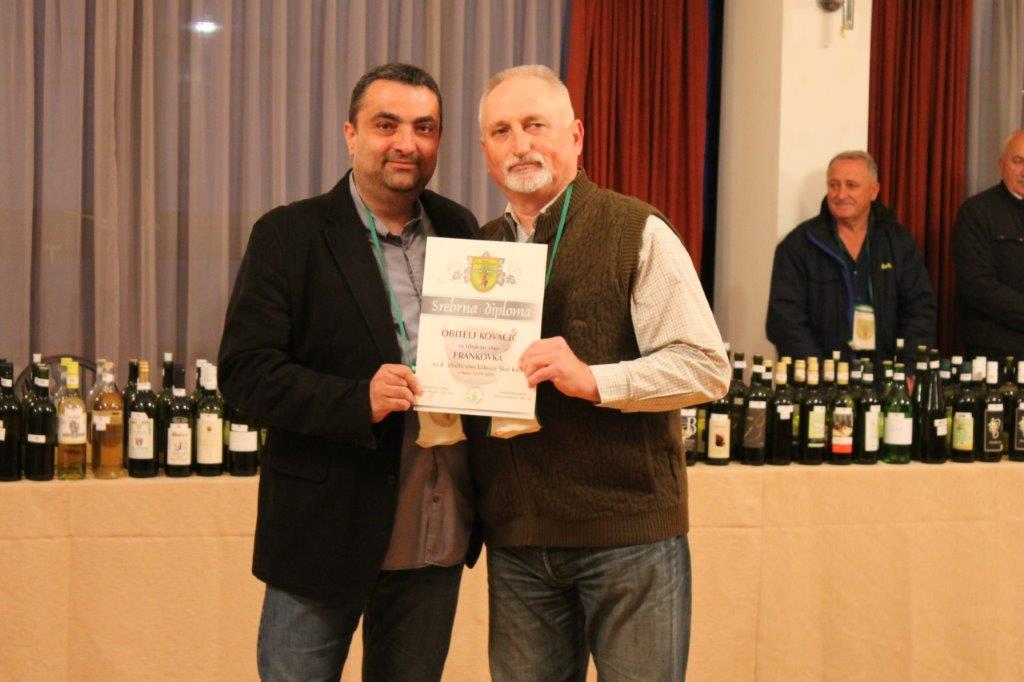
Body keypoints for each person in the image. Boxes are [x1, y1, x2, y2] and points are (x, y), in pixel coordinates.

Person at [217, 63, 479, 680]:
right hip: (322, 534)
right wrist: (357, 399)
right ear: (351, 134)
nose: (406, 143)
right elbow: (245, 372)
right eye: (386, 125)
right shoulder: (289, 234)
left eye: (424, 128)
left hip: (434, 529)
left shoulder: (462, 230)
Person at [471, 64, 730, 681]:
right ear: (485, 151)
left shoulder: (635, 230)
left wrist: (595, 380)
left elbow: (706, 367)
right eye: (502, 131)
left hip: (629, 537)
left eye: (536, 125)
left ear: (576, 135)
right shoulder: (475, 251)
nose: (520, 144)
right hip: (519, 539)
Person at [766, 150, 936, 370]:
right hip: (820, 380)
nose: (840, 194)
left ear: (874, 191)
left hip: (886, 378)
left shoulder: (898, 242)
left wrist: (910, 367)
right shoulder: (798, 245)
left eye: (851, 185)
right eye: (833, 185)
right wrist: (821, 373)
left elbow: (920, 311)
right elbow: (785, 321)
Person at [952, 130, 1024, 359]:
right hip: (996, 354)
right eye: (1018, 161)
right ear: (1001, 165)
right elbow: (977, 286)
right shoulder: (977, 212)